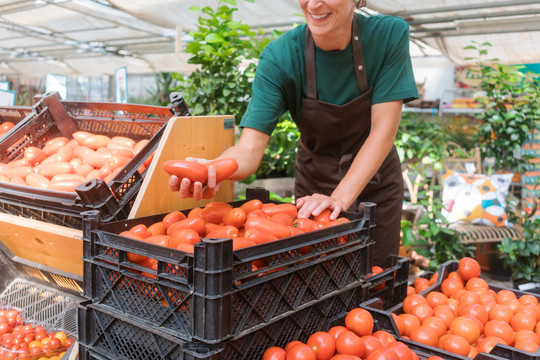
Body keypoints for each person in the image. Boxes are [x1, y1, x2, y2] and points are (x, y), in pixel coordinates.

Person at [169, 0, 419, 266]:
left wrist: (338, 198)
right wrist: (214, 169)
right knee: (313, 283)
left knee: (374, 279)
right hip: (314, 191)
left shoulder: (388, 36)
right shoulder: (280, 57)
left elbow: (382, 131)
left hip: (375, 188)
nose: (312, 4)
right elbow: (250, 148)